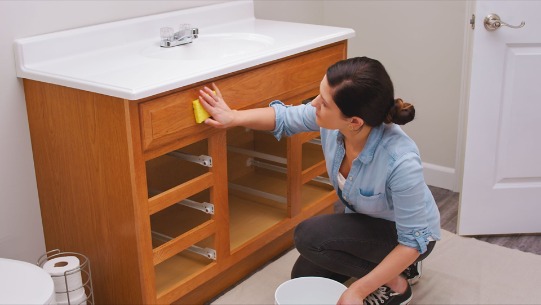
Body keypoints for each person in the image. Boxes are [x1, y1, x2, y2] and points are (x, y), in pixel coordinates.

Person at [198, 56, 441, 305]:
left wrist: (357, 291)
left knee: (309, 236)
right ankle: (394, 269)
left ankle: (397, 284)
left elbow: (412, 241)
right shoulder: (336, 122)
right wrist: (233, 117)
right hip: (367, 225)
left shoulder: (400, 161)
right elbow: (284, 117)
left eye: (323, 103)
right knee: (304, 276)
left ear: (354, 121)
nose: (313, 104)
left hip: (408, 238)